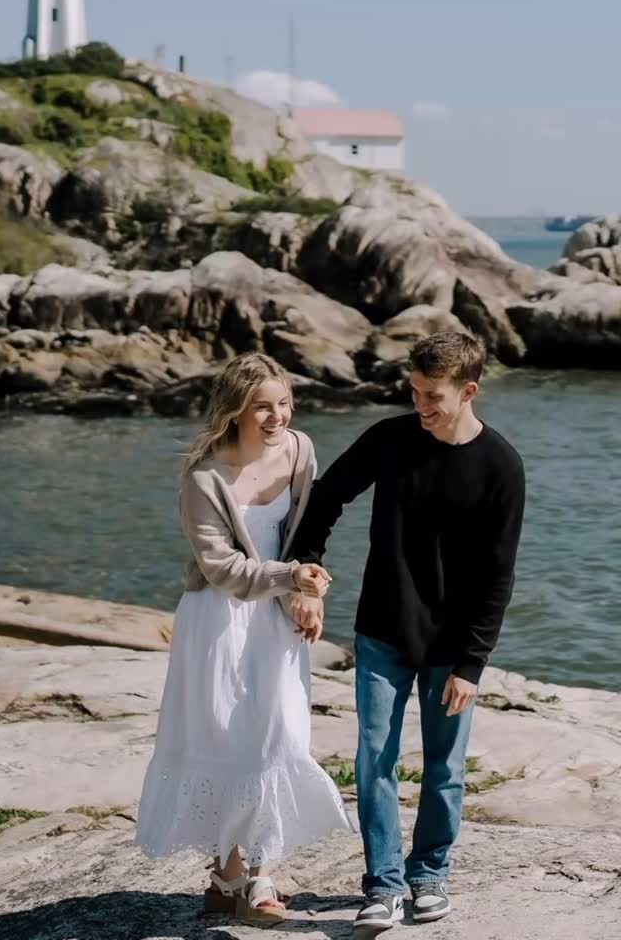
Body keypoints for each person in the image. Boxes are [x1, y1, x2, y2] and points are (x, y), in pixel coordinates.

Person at [290, 331, 525, 927]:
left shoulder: (501, 465)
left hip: (451, 646)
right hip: (383, 629)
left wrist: (473, 663)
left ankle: (429, 875)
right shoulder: (390, 440)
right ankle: (384, 885)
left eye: (432, 395)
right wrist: (307, 563)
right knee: (374, 758)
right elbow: (327, 496)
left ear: (468, 391)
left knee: (445, 768)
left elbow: (498, 574)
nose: (419, 404)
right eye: (414, 391)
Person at [136, 353, 352, 926]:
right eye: (263, 406)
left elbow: (306, 534)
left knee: (280, 738)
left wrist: (309, 592)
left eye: (284, 403)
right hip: (218, 622)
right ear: (235, 410)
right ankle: (228, 877)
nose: (277, 416)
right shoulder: (203, 476)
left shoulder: (300, 450)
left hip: (275, 620)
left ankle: (262, 874)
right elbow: (221, 568)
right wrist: (291, 578)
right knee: (228, 744)